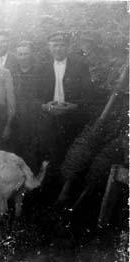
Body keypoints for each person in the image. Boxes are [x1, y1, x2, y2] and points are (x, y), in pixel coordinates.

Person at [41, 31, 93, 166]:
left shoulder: (80, 65)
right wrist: (44, 106)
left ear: (68, 47)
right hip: (48, 117)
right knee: (48, 154)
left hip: (72, 117)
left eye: (62, 45)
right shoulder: (42, 66)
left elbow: (89, 94)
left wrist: (74, 106)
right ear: (49, 47)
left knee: (69, 156)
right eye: (54, 45)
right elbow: (34, 95)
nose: (58, 48)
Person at [10, 41, 47, 173]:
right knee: (17, 148)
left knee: (33, 149)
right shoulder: (12, 72)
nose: (23, 57)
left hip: (35, 117)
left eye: (26, 54)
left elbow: (45, 93)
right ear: (16, 55)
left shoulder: (40, 71)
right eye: (20, 54)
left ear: (31, 55)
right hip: (17, 117)